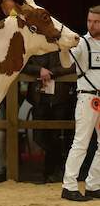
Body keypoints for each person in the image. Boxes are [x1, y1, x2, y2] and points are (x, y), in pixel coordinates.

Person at [62, 4, 100, 201]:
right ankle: (69, 185)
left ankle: (94, 184)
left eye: (96, 22)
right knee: (81, 142)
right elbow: (66, 63)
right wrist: (64, 49)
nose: (91, 25)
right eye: (89, 21)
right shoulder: (81, 43)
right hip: (87, 97)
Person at [23, 51, 76, 183]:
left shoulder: (64, 46)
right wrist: (39, 70)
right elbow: (23, 65)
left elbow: (74, 65)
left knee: (57, 136)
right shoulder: (36, 47)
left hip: (60, 98)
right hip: (39, 98)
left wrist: (52, 72)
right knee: (39, 136)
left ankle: (51, 171)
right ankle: (50, 169)